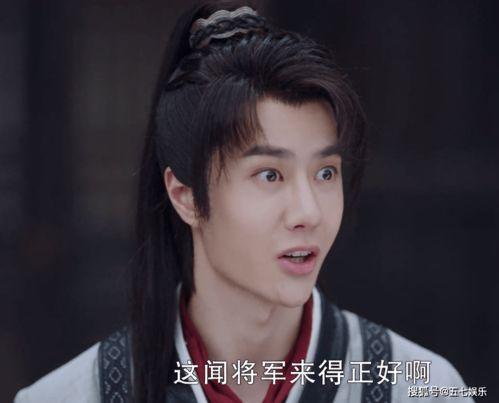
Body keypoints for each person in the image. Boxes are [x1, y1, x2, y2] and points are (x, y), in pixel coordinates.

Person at [15, 1, 474, 402]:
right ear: (185, 196)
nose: (308, 213)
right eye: (269, 175)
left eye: (325, 173)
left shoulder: (421, 387)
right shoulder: (74, 395)